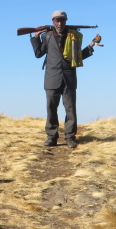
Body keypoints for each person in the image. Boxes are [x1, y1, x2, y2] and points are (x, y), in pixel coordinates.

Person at [30, 10, 102, 149]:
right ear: (53, 21)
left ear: (66, 21)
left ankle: (70, 137)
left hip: (69, 78)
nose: (59, 22)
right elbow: (38, 54)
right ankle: (51, 137)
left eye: (62, 20)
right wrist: (36, 37)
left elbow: (78, 56)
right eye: (57, 20)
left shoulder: (73, 36)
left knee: (70, 109)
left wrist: (92, 44)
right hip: (51, 78)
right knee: (51, 108)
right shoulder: (47, 36)